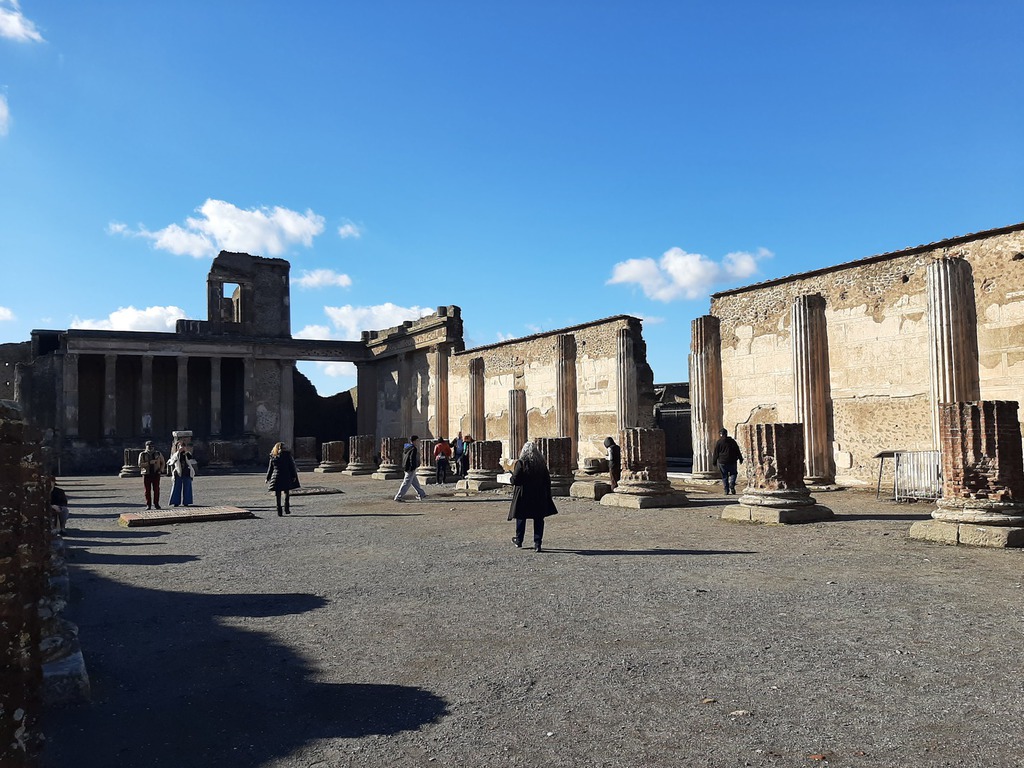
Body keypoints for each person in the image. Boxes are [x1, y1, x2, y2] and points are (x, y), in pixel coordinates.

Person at [508, 441, 559, 552]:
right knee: (538, 519)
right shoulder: (541, 465)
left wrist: (511, 476)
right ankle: (537, 543)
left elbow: (515, 480)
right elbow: (547, 481)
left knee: (521, 517)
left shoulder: (521, 463)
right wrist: (547, 495)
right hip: (539, 494)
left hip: (524, 495)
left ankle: (519, 540)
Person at [266, 441, 301, 516]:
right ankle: (286, 508)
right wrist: (294, 476)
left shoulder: (273, 456)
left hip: (276, 476)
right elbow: (291, 466)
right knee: (286, 493)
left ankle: (279, 510)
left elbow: (270, 468)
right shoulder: (287, 455)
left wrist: (268, 478)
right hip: (286, 475)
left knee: (278, 494)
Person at [394, 435, 427, 502]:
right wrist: (413, 466)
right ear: (414, 441)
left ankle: (421, 494)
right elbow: (412, 458)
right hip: (410, 468)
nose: (418, 442)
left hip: (406, 466)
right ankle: (398, 497)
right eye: (417, 441)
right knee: (406, 483)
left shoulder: (407, 447)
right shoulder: (413, 448)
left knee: (415, 482)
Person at [714, 427, 744, 495]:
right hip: (732, 461)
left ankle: (726, 490)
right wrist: (740, 458)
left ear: (721, 434)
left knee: (724, 476)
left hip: (722, 461)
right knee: (733, 474)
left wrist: (714, 461)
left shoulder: (719, 442)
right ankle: (732, 484)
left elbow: (716, 452)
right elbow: (737, 450)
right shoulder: (732, 441)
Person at [138, 440, 166, 510]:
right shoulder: (142, 454)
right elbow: (140, 464)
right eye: (149, 446)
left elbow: (163, 462)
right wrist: (149, 463)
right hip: (146, 474)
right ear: (146, 446)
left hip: (156, 473)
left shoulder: (158, 453)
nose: (151, 448)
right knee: (147, 490)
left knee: (156, 489)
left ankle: (156, 504)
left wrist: (161, 470)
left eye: (152, 446)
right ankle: (148, 504)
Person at [168, 440, 196, 507]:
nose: (182, 447)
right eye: (180, 446)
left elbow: (190, 458)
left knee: (187, 487)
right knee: (176, 487)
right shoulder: (175, 454)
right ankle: (175, 502)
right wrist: (178, 452)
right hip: (178, 472)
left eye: (183, 446)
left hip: (187, 472)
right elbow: (172, 461)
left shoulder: (187, 454)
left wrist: (185, 452)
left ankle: (187, 501)